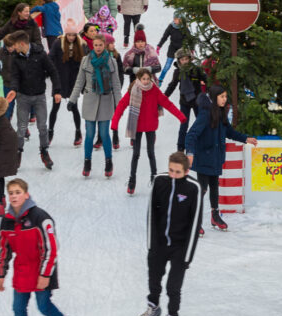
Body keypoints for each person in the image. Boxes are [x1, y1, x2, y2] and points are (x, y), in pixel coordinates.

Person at [0, 177, 76, 316]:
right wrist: (1, 274)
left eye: (18, 192)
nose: (14, 196)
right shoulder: (7, 222)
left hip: (42, 268)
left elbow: (51, 248)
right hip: (22, 270)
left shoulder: (40, 217)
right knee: (18, 308)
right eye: (11, 193)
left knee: (43, 306)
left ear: (26, 195)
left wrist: (45, 275)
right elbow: (4, 249)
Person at [135, 152, 202, 316]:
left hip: (181, 247)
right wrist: (151, 245)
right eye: (171, 170)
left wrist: (187, 257)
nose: (173, 174)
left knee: (173, 286)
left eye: (177, 172)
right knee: (154, 278)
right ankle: (153, 307)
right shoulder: (160, 181)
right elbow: (151, 213)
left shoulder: (193, 188)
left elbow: (195, 223)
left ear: (186, 171)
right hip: (159, 243)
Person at [185, 84, 258, 232]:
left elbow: (229, 132)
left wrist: (246, 139)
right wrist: (190, 153)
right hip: (204, 157)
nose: (225, 99)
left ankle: (215, 215)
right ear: (214, 97)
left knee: (214, 187)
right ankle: (195, 220)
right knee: (203, 188)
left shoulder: (221, 112)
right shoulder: (205, 113)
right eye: (222, 97)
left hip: (216, 157)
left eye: (225, 96)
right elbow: (191, 135)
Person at [111, 68, 187, 195]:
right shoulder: (133, 90)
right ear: (138, 79)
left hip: (151, 126)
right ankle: (132, 180)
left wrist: (180, 116)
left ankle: (154, 178)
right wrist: (114, 123)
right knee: (136, 154)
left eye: (148, 79)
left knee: (151, 153)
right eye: (143, 79)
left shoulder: (154, 90)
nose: (146, 82)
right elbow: (121, 106)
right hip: (137, 126)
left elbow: (167, 103)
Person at [5, 30, 61, 170]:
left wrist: (57, 91)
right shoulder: (16, 58)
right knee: (21, 128)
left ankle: (44, 152)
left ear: (22, 43)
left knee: (42, 127)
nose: (14, 48)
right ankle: (17, 153)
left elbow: (53, 71)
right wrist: (13, 89)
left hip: (39, 96)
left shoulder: (40, 54)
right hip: (23, 97)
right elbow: (15, 77)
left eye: (15, 45)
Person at [69, 33, 122, 178]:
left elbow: (116, 84)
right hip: (90, 101)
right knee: (90, 134)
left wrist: (120, 104)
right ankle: (87, 162)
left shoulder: (111, 62)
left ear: (104, 45)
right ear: (92, 45)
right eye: (96, 45)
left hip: (106, 101)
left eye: (100, 45)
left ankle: (108, 161)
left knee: (104, 134)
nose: (98, 48)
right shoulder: (86, 60)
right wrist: (72, 99)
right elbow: (79, 81)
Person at [48, 20, 86, 147]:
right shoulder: (58, 43)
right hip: (59, 80)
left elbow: (86, 62)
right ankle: (50, 132)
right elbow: (50, 58)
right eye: (69, 35)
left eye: (73, 35)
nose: (71, 37)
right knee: (55, 107)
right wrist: (52, 72)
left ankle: (78, 132)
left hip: (73, 80)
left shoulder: (81, 44)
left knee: (74, 107)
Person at [164, 49, 207, 151]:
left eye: (186, 59)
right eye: (182, 59)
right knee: (184, 124)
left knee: (201, 122)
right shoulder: (178, 72)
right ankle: (180, 146)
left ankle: (204, 142)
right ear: (179, 61)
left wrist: (210, 92)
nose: (185, 61)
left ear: (190, 59)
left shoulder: (196, 69)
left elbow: (206, 79)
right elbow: (172, 85)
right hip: (185, 102)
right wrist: (164, 97)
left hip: (197, 100)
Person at [157, 11, 194, 84]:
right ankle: (160, 79)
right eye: (175, 18)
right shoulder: (171, 26)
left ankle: (185, 80)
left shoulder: (185, 28)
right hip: (172, 48)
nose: (175, 20)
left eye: (177, 19)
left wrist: (192, 49)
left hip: (181, 49)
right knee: (167, 65)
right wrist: (159, 46)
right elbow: (165, 37)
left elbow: (190, 39)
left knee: (183, 65)